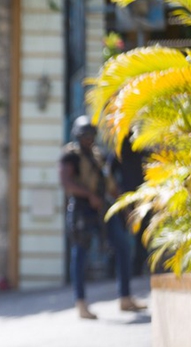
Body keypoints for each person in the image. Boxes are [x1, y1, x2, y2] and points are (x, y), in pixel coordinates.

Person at [59, 115, 146, 319]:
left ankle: (125, 297)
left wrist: (123, 206)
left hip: (101, 210)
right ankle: (80, 303)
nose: (89, 139)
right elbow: (66, 182)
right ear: (78, 136)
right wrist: (88, 195)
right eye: (85, 135)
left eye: (91, 135)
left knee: (122, 246)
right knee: (80, 254)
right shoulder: (70, 156)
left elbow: (108, 184)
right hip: (82, 210)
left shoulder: (98, 156)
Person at [106, 137, 150, 276]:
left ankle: (135, 269)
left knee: (140, 236)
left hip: (140, 198)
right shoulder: (119, 152)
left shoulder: (141, 151)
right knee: (120, 237)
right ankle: (114, 269)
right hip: (125, 200)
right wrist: (116, 191)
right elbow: (108, 174)